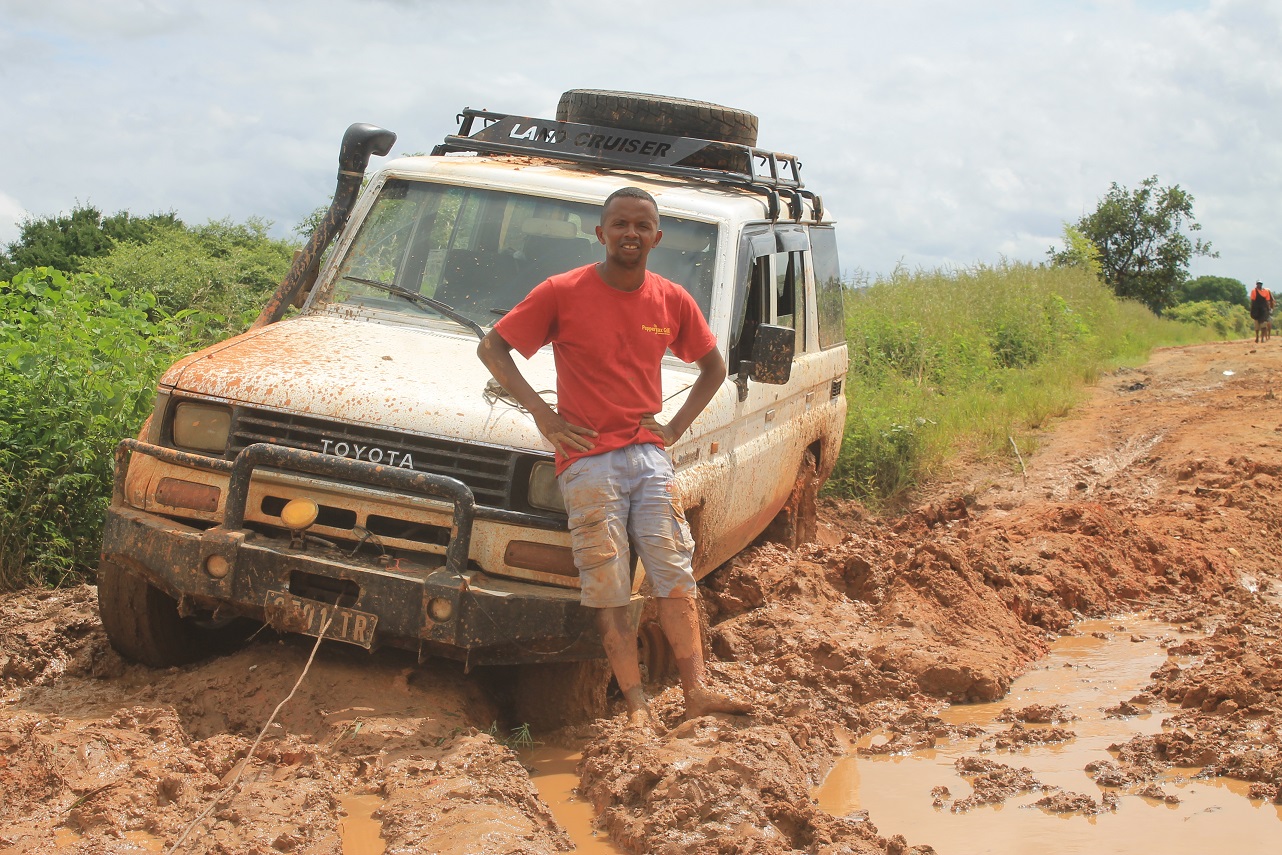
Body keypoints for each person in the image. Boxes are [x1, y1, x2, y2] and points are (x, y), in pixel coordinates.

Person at [477, 186, 750, 730]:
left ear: (657, 236)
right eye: (620, 224)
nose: (631, 233)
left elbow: (714, 369)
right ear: (600, 233)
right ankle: (637, 709)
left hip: (648, 459)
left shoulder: (671, 299)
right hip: (587, 463)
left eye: (642, 225)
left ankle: (697, 691)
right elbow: (492, 349)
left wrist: (673, 427)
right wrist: (543, 417)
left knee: (674, 574)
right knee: (610, 587)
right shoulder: (562, 291)